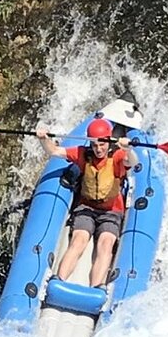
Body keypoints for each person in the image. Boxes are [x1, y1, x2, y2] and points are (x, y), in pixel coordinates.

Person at [36, 118, 139, 289]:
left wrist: (128, 148)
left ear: (109, 141)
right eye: (95, 145)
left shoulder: (118, 156)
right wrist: (43, 139)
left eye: (102, 145)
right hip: (86, 208)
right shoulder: (83, 154)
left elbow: (133, 162)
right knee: (79, 240)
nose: (99, 149)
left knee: (105, 244)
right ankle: (57, 281)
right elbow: (54, 151)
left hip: (111, 211)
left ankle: (97, 288)